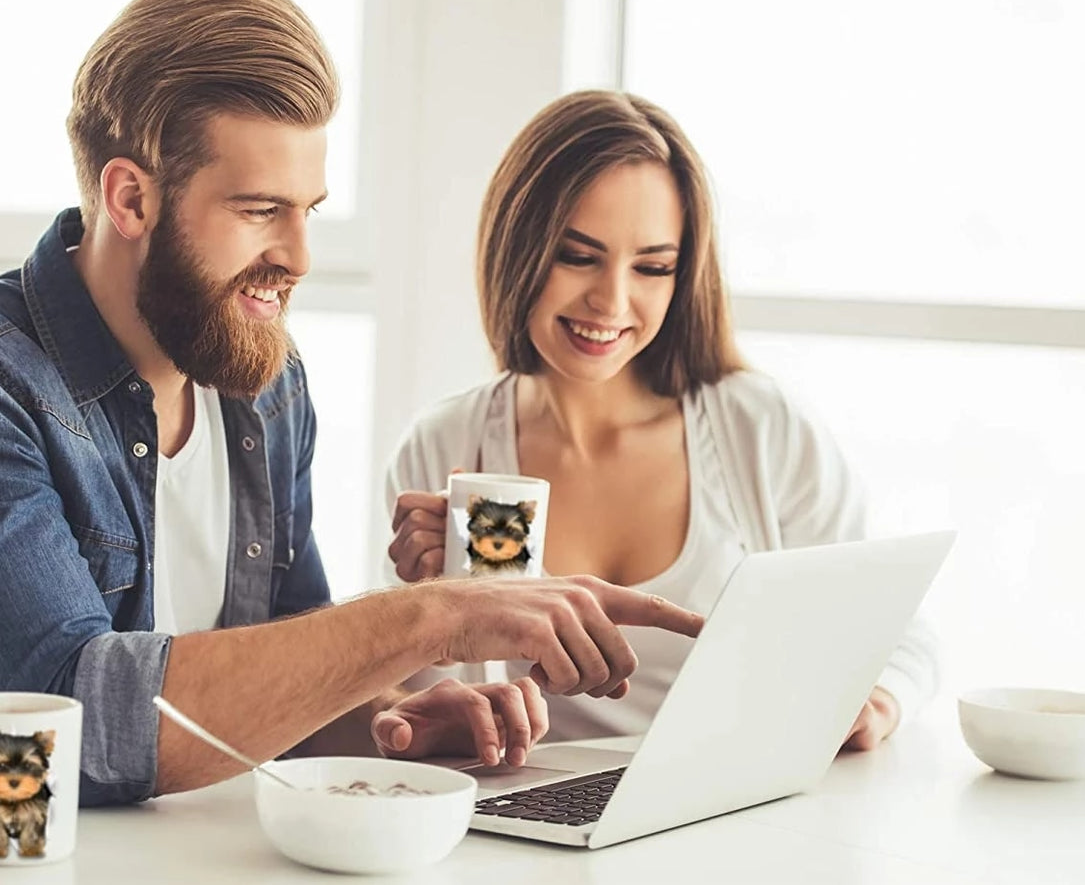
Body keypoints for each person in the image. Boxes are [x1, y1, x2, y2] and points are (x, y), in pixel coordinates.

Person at [0, 0, 705, 807]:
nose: (298, 256)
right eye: (259, 210)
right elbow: (73, 729)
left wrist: (388, 722)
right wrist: (433, 616)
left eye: (308, 210)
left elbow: (287, 688)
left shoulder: (261, 381)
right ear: (130, 196)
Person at [386, 90, 938, 748]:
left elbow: (897, 631)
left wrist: (872, 703)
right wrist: (426, 616)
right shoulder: (445, 444)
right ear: (518, 245)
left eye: (652, 266)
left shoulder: (756, 427)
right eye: (577, 255)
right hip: (530, 821)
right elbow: (426, 724)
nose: (611, 300)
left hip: (729, 807)